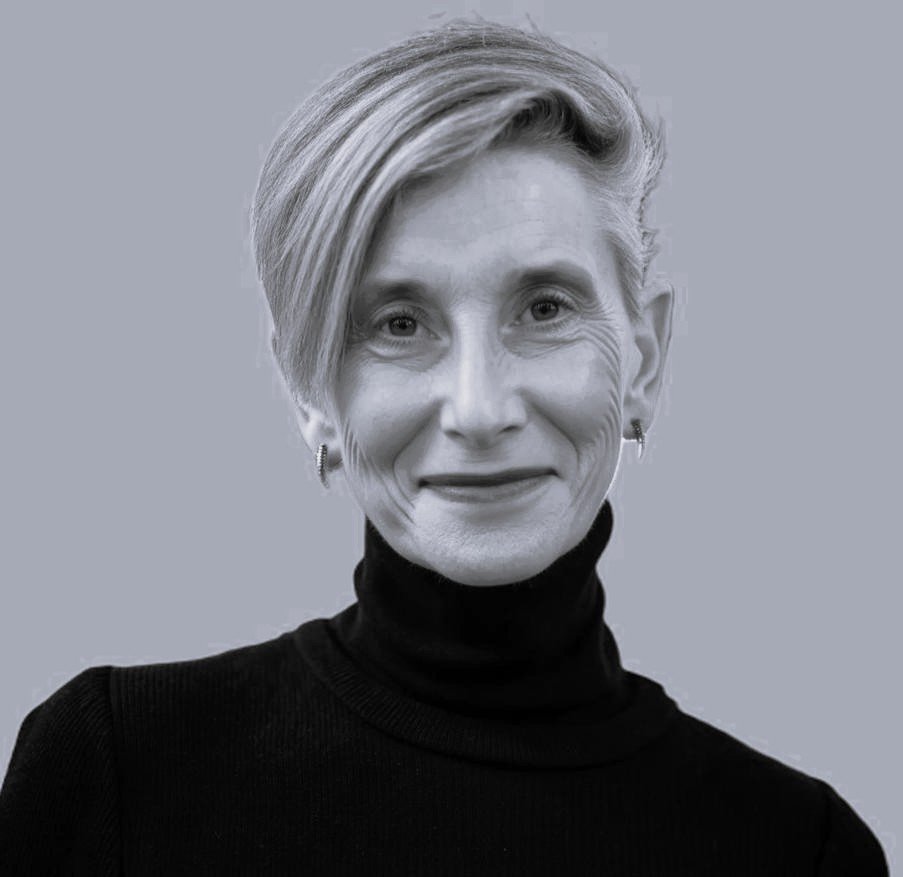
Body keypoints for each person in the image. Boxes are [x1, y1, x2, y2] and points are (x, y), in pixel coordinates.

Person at [0, 18, 888, 875]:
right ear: (309, 390)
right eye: (397, 323)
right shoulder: (117, 771)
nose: (479, 407)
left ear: (644, 360)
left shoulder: (793, 847)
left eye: (543, 309)